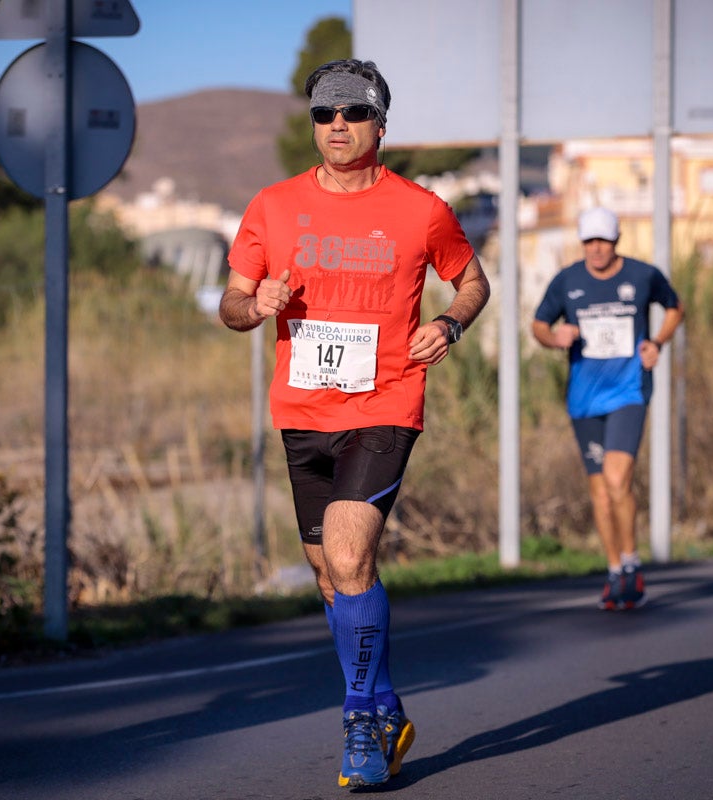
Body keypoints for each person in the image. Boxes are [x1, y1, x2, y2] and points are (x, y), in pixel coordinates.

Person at [218, 59, 489, 788]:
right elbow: (231, 304)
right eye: (324, 113)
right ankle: (388, 705)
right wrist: (257, 304)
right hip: (302, 411)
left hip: (384, 404)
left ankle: (361, 719)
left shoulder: (421, 210)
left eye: (353, 112)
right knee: (332, 580)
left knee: (347, 554)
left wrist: (450, 325)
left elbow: (471, 280)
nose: (337, 124)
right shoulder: (272, 206)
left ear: (380, 125)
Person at [532, 207, 683, 611]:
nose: (596, 249)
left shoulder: (641, 275)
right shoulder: (568, 281)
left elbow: (674, 306)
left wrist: (658, 343)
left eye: (603, 241)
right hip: (584, 399)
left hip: (629, 392)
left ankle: (632, 562)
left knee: (618, 480)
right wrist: (555, 336)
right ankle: (615, 569)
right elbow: (538, 325)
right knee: (600, 491)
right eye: (589, 242)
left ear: (616, 242)